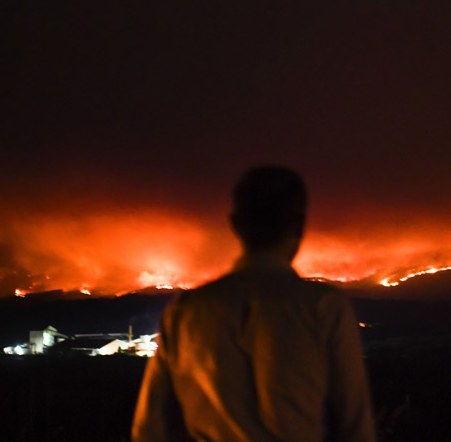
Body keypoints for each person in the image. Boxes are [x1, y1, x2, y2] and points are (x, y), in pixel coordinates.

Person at [131, 166, 376, 442]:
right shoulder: (325, 306)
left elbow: (149, 428)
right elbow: (356, 427)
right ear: (299, 225)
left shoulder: (186, 310)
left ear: (235, 223)